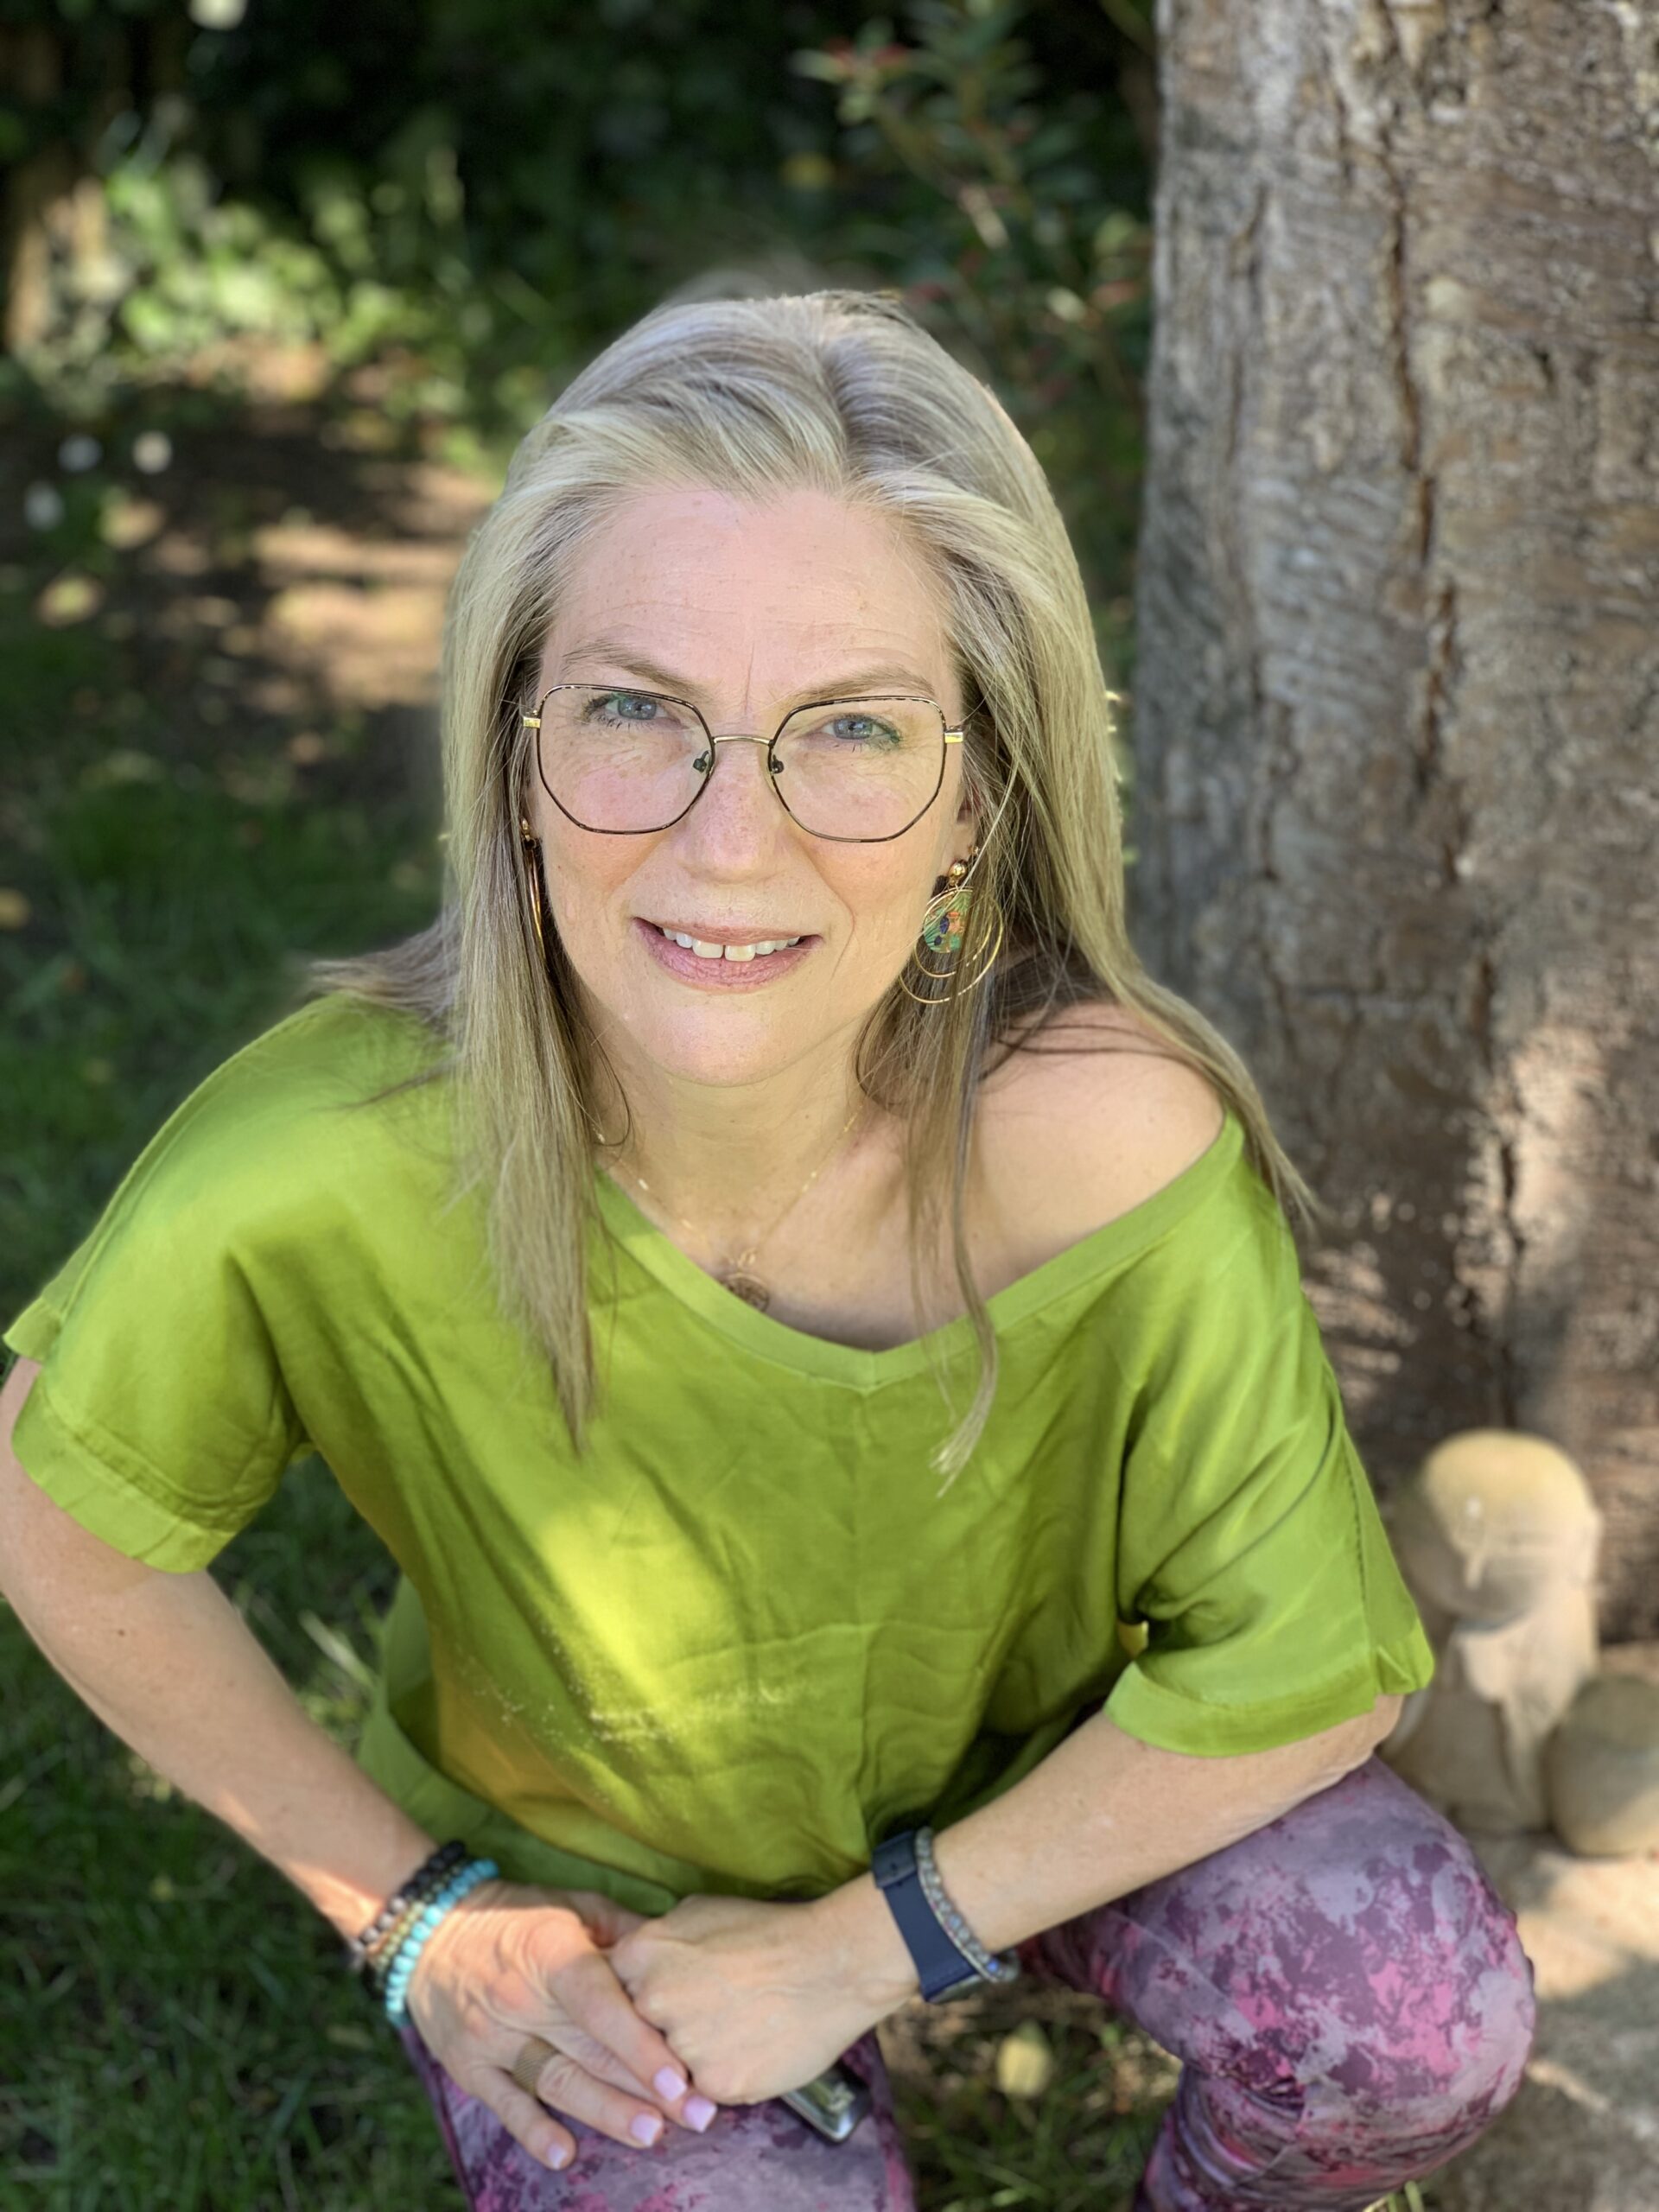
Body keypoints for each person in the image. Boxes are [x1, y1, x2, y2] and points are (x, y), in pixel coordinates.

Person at [0, 288, 1535, 2212]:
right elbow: (57, 1508)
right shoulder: (321, 1163)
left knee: (1411, 2020)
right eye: (638, 711)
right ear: (515, 755)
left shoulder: (1108, 1150)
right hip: (606, 1896)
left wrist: (866, 1946)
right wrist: (418, 1919)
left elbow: (1313, 1669)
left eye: (854, 731)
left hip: (1045, 1790)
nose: (733, 841)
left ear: (977, 801)